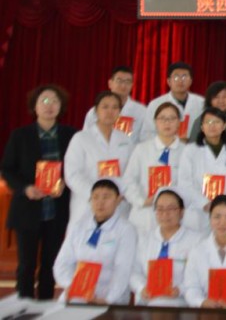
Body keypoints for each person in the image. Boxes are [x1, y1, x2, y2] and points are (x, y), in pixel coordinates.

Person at [1, 84, 76, 299]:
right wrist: (25, 189)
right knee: (26, 265)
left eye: (55, 101)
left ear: (61, 107)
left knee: (50, 264)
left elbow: (77, 167)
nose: (49, 105)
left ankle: (45, 305)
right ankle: (23, 306)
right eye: (44, 100)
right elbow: (7, 169)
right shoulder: (20, 135)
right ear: (34, 106)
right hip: (28, 209)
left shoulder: (71, 135)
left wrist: (65, 182)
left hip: (57, 210)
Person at [52, 178, 138, 304]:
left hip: (109, 295)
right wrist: (71, 285)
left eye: (106, 197)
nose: (100, 202)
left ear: (118, 200)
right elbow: (62, 263)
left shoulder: (126, 230)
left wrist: (107, 298)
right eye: (95, 197)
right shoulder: (79, 227)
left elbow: (123, 270)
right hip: (77, 291)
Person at [64, 90, 134, 223]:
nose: (110, 111)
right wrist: (96, 195)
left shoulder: (126, 140)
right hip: (87, 205)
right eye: (105, 107)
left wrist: (120, 194)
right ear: (96, 111)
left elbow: (131, 173)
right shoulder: (81, 138)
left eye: (115, 107)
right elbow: (72, 174)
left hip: (118, 204)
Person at [130, 186, 203, 306]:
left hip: (181, 304)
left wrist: (180, 289)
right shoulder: (145, 239)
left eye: (171, 209)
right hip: (147, 303)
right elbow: (133, 270)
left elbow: (200, 275)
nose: (165, 214)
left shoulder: (196, 240)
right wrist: (141, 287)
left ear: (182, 212)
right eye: (160, 209)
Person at [122, 102, 187, 233]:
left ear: (179, 122)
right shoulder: (141, 149)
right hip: (145, 215)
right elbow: (128, 180)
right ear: (155, 122)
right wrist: (141, 201)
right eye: (162, 118)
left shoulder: (187, 152)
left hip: (176, 216)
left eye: (172, 118)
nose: (167, 123)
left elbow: (190, 185)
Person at [179, 107, 226, 233]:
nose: (212, 126)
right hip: (197, 211)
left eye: (217, 122)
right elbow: (184, 182)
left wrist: (225, 203)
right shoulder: (190, 151)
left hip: (225, 210)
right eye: (208, 122)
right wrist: (204, 203)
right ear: (202, 127)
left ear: (224, 125)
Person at [83, 65, 147, 145]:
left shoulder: (142, 112)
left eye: (127, 82)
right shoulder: (94, 112)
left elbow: (145, 140)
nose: (123, 86)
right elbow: (85, 139)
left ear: (132, 85)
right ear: (110, 83)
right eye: (119, 81)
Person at [144, 62, 204, 141]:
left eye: (184, 77)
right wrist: (169, 141)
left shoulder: (201, 103)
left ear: (190, 81)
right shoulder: (155, 104)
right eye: (176, 77)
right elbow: (147, 134)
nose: (180, 81)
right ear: (169, 81)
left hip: (194, 147)